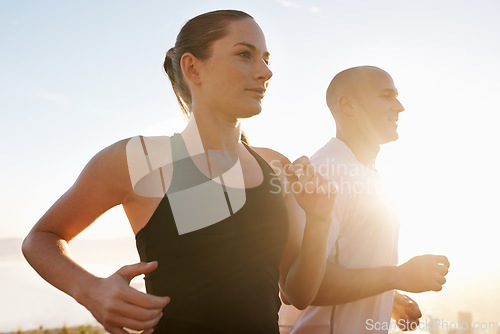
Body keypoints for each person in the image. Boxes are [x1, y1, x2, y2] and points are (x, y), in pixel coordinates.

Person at [22, 10, 336, 334]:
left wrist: (320, 220)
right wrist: (90, 291)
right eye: (245, 54)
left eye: (266, 59)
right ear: (192, 67)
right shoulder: (140, 159)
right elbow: (41, 238)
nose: (265, 71)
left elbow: (297, 293)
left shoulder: (275, 166)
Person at [278, 66, 450, 334]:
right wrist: (399, 276)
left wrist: (386, 297)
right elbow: (301, 289)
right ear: (347, 105)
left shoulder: (365, 172)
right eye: (386, 96)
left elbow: (348, 261)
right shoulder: (326, 174)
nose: (400, 107)